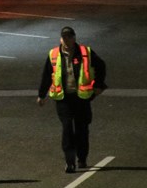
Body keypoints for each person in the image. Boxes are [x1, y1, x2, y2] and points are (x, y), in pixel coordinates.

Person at [37, 26, 107, 173]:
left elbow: (101, 65)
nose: (66, 40)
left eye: (69, 37)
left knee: (82, 128)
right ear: (60, 39)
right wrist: (42, 95)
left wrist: (99, 85)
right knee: (67, 129)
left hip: (81, 97)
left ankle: (82, 158)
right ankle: (70, 162)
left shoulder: (85, 52)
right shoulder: (54, 54)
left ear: (74, 38)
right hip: (63, 99)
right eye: (64, 37)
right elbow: (46, 74)